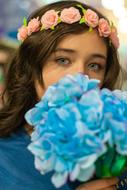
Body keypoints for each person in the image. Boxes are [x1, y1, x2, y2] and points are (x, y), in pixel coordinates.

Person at [0, 0, 124, 189]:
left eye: (94, 65)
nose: (80, 76)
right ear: (32, 68)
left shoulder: (117, 147)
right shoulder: (4, 153)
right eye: (63, 60)